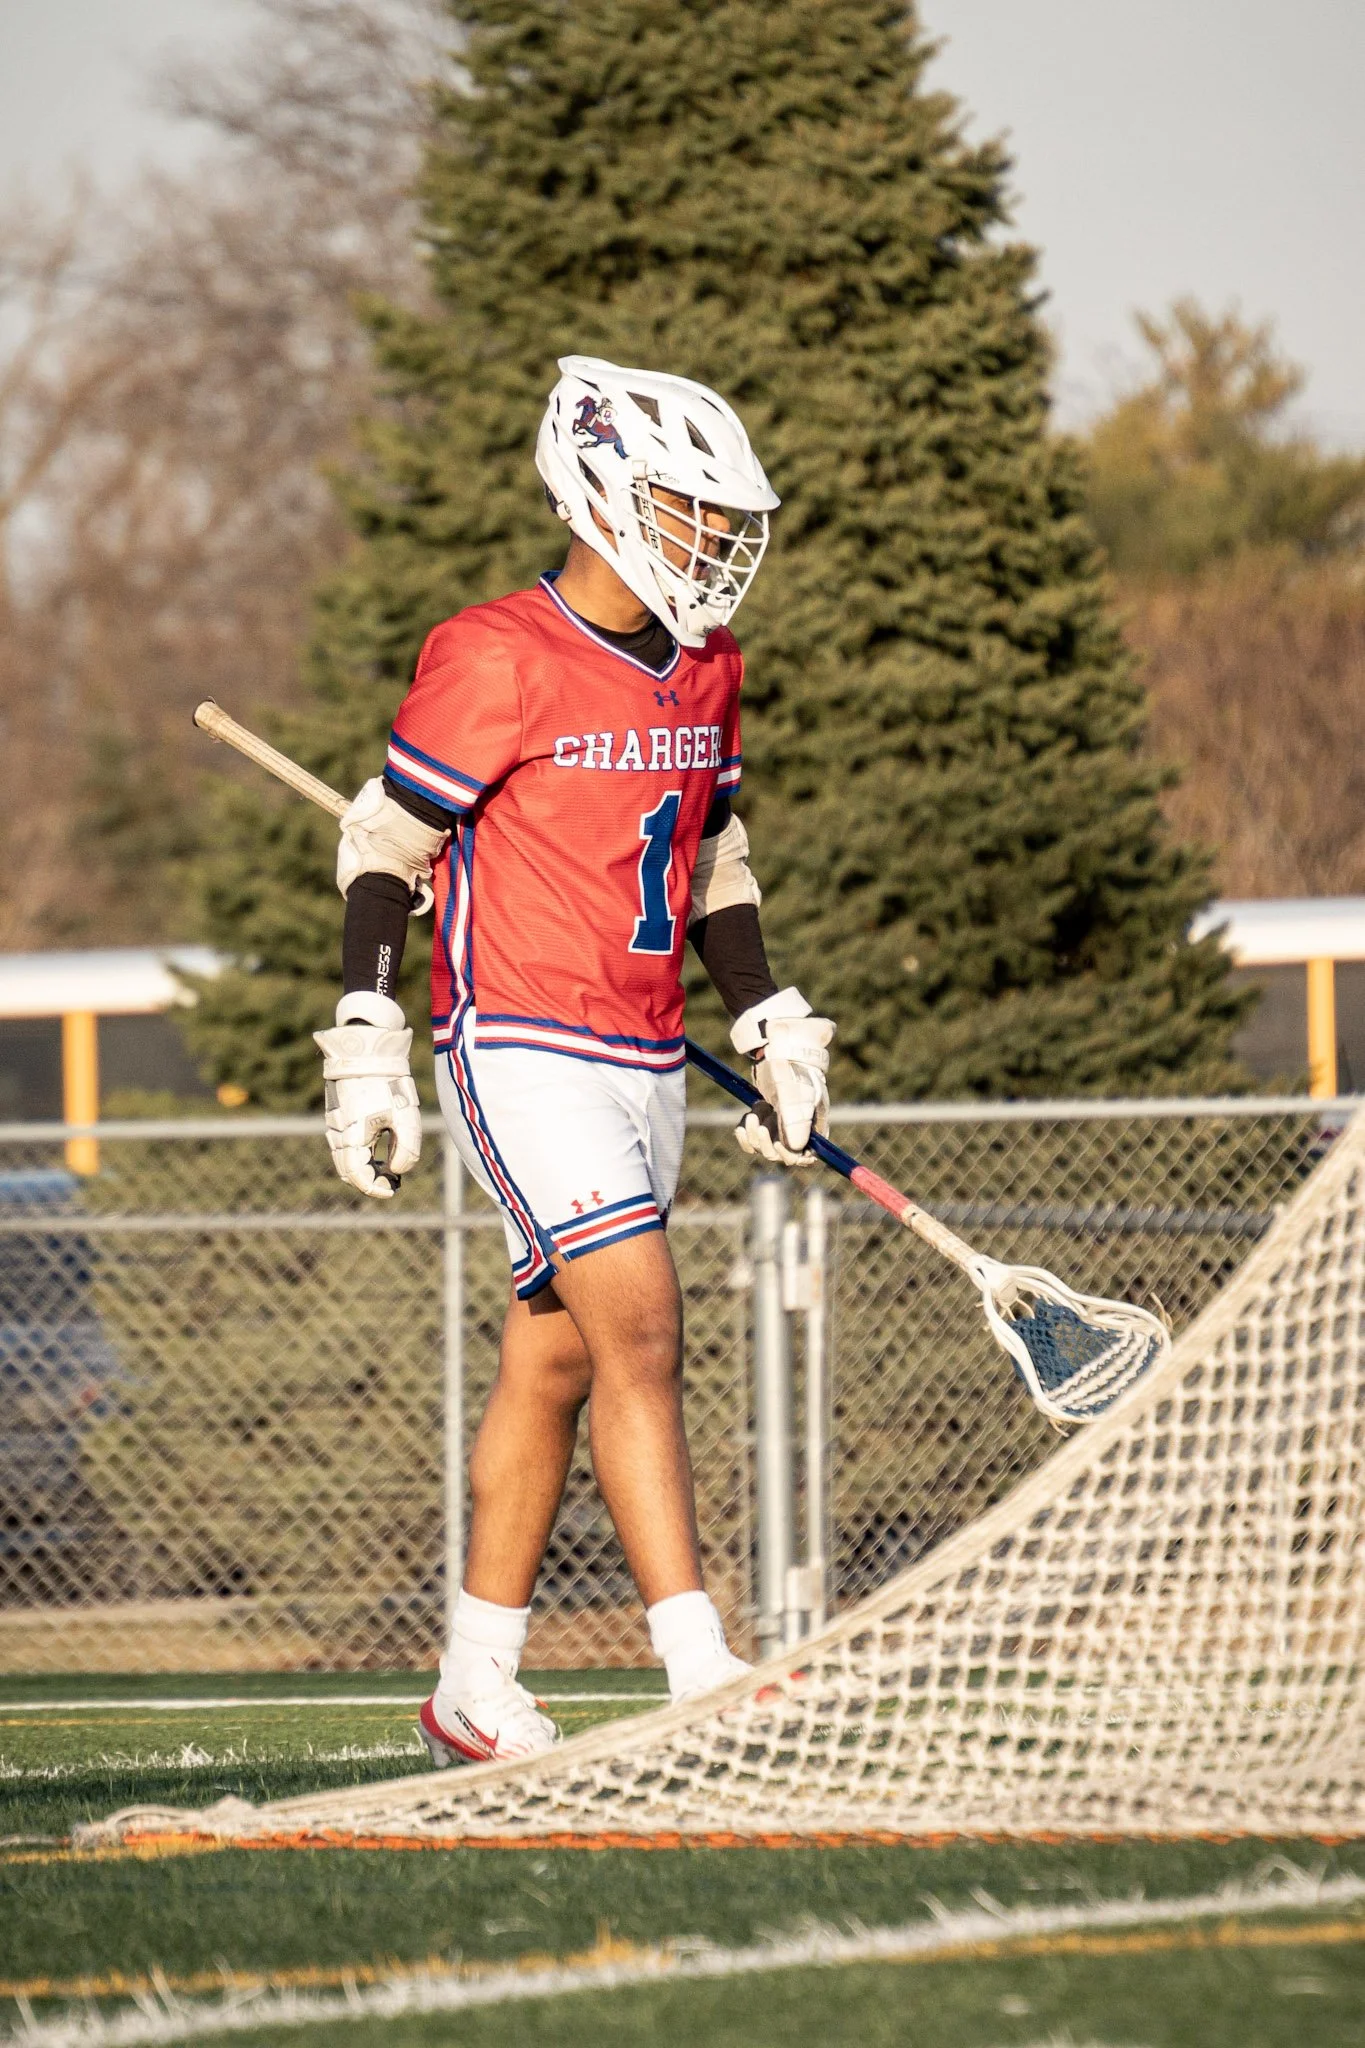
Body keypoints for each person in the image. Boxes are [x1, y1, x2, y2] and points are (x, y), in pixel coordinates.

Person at [314, 356, 836, 1765]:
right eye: (687, 507)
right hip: (520, 1036)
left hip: (647, 1047)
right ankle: (700, 1664)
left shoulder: (710, 662)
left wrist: (767, 1018)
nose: (716, 541)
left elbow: (714, 850)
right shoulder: (495, 652)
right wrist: (367, 1035)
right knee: (644, 1330)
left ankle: (473, 1688)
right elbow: (388, 843)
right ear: (602, 494)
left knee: (551, 1364)